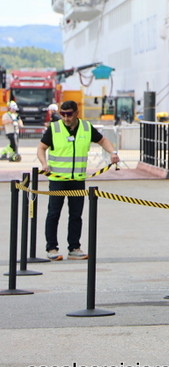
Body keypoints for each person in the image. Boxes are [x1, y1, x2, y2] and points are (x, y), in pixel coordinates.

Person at [36, 99, 119, 260]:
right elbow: (41, 148)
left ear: (76, 113)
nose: (66, 118)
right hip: (58, 179)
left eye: (69, 114)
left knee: (76, 215)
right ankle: (51, 248)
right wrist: (44, 163)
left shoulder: (86, 128)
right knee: (54, 213)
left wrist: (113, 153)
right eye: (63, 114)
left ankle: (74, 247)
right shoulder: (55, 128)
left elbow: (103, 141)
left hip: (78, 179)